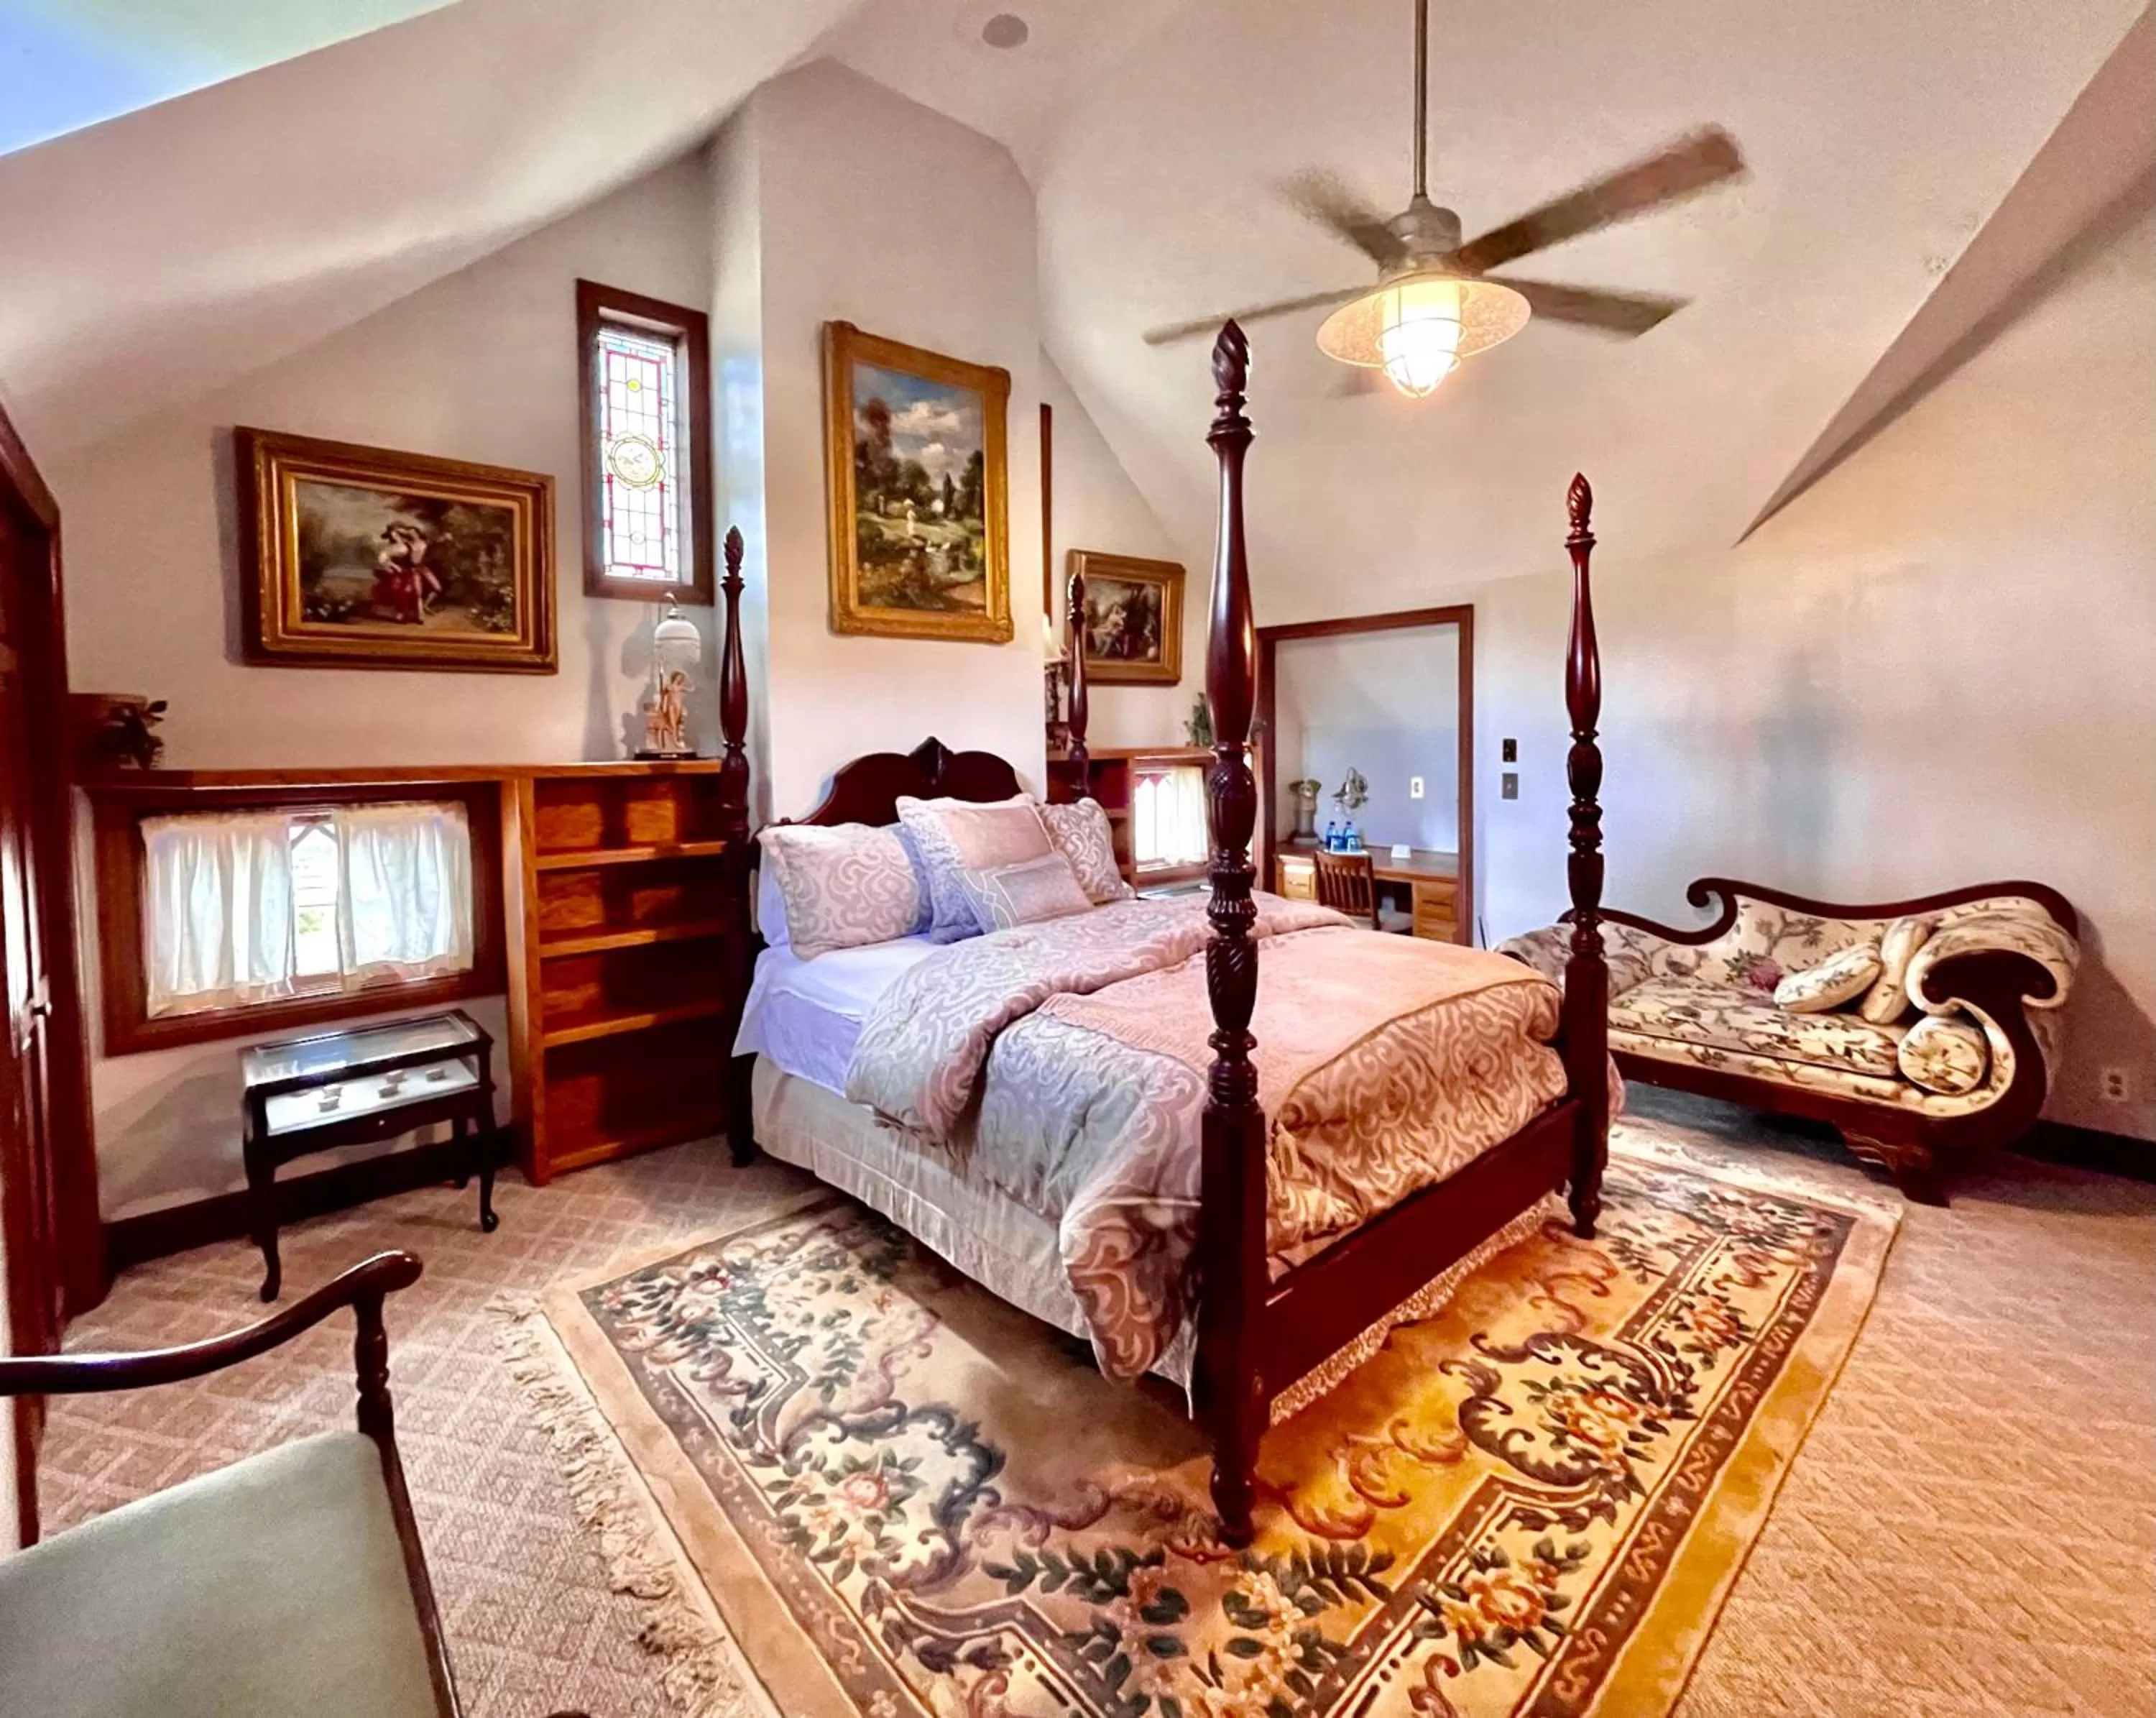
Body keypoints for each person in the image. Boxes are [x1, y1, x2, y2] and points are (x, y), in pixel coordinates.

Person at [372, 521, 440, 625]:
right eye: (392, 534)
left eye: (396, 533)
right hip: (400, 573)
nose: (394, 536)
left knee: (413, 592)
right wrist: (393, 567)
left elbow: (416, 556)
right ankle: (403, 614)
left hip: (409, 572)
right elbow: (383, 559)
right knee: (401, 592)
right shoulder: (393, 547)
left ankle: (416, 615)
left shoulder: (409, 544)